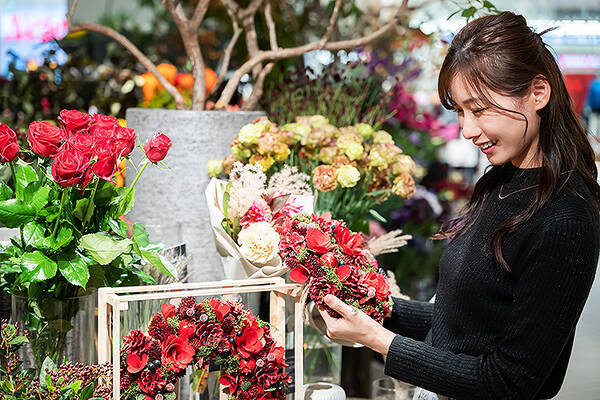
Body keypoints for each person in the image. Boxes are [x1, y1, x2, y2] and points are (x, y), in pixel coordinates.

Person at [318, 12, 600, 400]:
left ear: (538, 93)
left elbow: (510, 381)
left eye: (480, 109)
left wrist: (379, 339)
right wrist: (372, 309)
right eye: (461, 112)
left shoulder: (565, 220)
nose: (467, 129)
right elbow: (464, 321)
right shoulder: (501, 181)